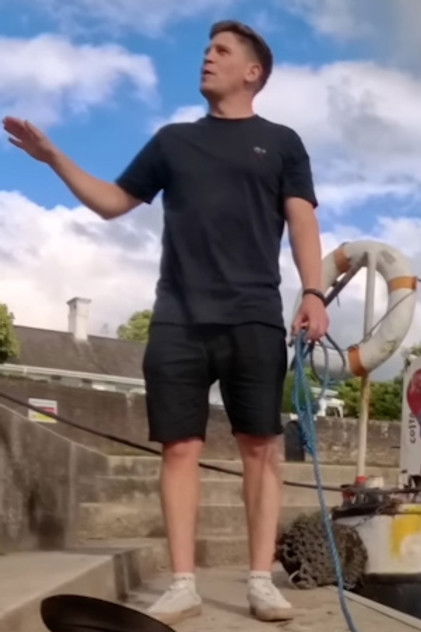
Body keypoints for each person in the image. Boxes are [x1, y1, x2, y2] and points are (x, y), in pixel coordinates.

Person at [3, 20, 329, 624]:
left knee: (262, 448)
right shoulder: (172, 142)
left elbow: (302, 219)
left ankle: (260, 580)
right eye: (206, 49)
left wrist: (313, 291)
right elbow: (112, 203)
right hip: (178, 319)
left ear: (252, 72)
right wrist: (52, 158)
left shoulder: (282, 142)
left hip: (254, 315)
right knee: (179, 448)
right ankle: (183, 583)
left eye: (221, 51)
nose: (207, 57)